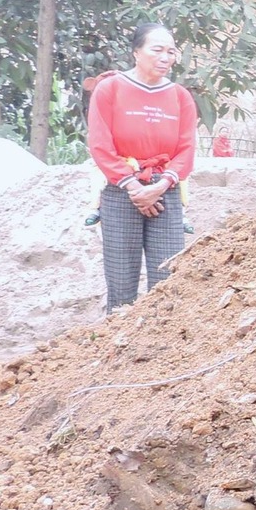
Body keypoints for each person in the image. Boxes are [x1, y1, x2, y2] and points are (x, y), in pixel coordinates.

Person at [87, 21, 198, 310]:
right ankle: (117, 346)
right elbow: (100, 144)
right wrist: (135, 187)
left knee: (168, 280)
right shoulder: (109, 89)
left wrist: (159, 186)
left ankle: (165, 348)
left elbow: (187, 149)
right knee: (121, 281)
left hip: (166, 191)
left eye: (171, 51)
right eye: (157, 49)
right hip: (121, 192)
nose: (166, 57)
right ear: (136, 52)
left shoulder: (180, 96)